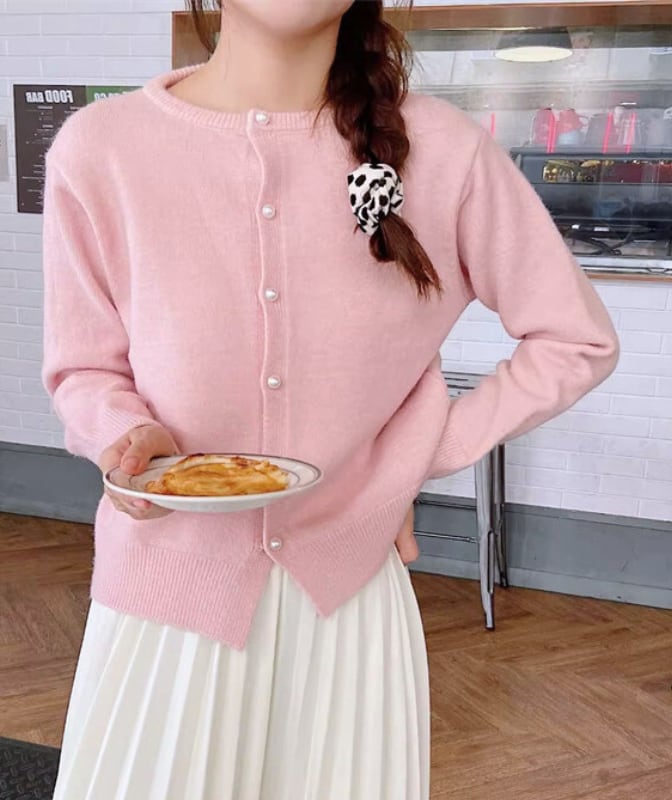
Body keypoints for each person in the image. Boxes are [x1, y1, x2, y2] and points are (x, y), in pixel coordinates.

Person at [41, 1, 619, 797]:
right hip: (164, 598)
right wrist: (125, 432)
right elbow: (82, 366)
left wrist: (418, 456)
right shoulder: (102, 147)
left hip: (349, 605)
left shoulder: (446, 150)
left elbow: (575, 338)